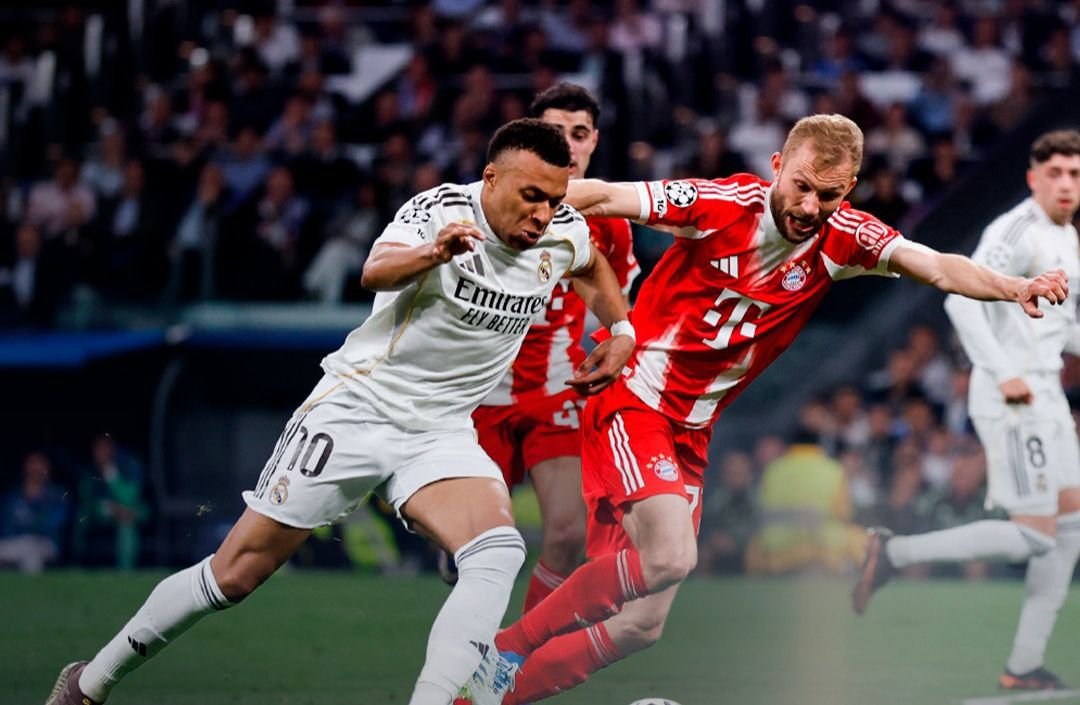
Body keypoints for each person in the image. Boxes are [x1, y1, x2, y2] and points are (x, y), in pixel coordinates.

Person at [459, 113, 1068, 705]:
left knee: (641, 625)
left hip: (691, 431)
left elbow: (934, 264)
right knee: (671, 556)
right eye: (800, 186)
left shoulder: (844, 238)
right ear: (777, 166)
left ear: (849, 190)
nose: (809, 206)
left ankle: (489, 699)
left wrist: (1015, 287)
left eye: (827, 195)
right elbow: (604, 195)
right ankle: (506, 651)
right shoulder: (721, 205)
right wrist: (493, 204)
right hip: (635, 399)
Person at [45, 118, 636, 705]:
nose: (542, 214)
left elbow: (590, 266)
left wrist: (621, 330)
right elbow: (375, 270)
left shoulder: (561, 230)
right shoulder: (440, 211)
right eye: (531, 196)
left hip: (440, 431)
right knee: (235, 574)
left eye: (553, 199)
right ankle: (89, 683)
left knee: (498, 551)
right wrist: (434, 253)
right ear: (491, 178)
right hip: (358, 410)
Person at [853, 129, 1080, 691]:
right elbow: (961, 300)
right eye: (1054, 173)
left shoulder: (1066, 236)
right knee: (1036, 536)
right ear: (1032, 179)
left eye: (1075, 174)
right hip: (1013, 393)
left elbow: (1060, 327)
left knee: (1071, 527)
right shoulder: (1015, 228)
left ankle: (1023, 666)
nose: (1066, 184)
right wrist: (1003, 372)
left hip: (1046, 390)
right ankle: (895, 551)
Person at [468, 83, 638, 613]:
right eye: (555, 132)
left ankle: (515, 651)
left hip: (556, 392)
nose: (568, 144)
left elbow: (617, 312)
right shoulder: (488, 202)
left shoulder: (611, 225)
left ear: (594, 142)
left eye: (579, 134)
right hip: (478, 391)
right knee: (476, 545)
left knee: (568, 532)